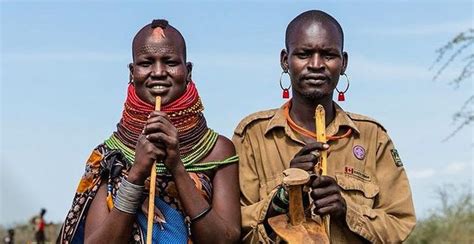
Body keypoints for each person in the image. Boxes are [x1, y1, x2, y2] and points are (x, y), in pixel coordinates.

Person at [233, 10, 416, 243]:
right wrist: (284, 195)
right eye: (304, 54)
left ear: (343, 63)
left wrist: (347, 211)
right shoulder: (253, 135)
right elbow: (232, 227)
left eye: (328, 54)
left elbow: (401, 222)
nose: (316, 64)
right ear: (285, 60)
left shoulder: (372, 137)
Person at [58, 19, 240, 244]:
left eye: (170, 62)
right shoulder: (108, 157)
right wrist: (136, 174)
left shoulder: (218, 151)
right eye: (146, 63)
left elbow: (225, 240)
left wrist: (176, 166)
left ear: (188, 71)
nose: (158, 72)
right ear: (132, 72)